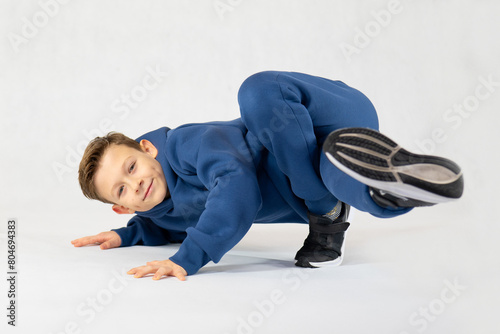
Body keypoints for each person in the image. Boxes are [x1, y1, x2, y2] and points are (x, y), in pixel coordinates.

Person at [72, 71, 464, 281]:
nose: (136, 183)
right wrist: (129, 235)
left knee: (257, 89)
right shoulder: (162, 210)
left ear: (147, 148)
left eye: (131, 167)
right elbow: (172, 223)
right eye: (123, 189)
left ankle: (325, 214)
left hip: (316, 112)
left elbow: (236, 186)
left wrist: (190, 259)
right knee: (339, 178)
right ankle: (398, 188)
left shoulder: (186, 145)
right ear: (122, 207)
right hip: (328, 157)